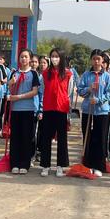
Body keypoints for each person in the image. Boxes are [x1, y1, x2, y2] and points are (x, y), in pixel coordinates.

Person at [78, 49, 110, 176]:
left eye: (99, 59)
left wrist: (99, 100)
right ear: (91, 60)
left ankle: (99, 166)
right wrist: (89, 88)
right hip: (88, 111)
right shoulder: (86, 75)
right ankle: (87, 165)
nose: (96, 61)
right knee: (88, 138)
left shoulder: (107, 76)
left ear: (102, 60)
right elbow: (80, 90)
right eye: (94, 59)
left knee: (101, 139)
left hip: (102, 112)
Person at [39, 48, 72, 177]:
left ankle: (60, 166)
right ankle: (45, 165)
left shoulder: (68, 74)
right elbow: (42, 90)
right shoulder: (45, 73)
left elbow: (69, 92)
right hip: (48, 108)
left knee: (62, 139)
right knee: (46, 138)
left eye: (57, 56)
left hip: (62, 109)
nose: (54, 59)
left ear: (62, 58)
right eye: (52, 56)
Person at [7, 49, 40, 174]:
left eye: (26, 57)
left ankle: (24, 164)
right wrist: (10, 84)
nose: (23, 59)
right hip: (15, 110)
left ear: (30, 59)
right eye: (21, 57)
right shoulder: (14, 73)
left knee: (26, 137)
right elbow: (9, 90)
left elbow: (35, 92)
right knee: (15, 137)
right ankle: (14, 163)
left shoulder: (33, 74)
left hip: (28, 109)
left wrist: (18, 97)